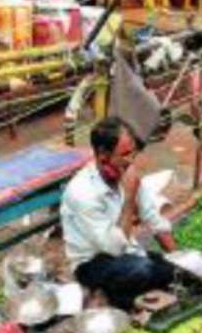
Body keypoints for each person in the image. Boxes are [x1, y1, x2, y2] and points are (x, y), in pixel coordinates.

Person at [60, 117, 177, 311]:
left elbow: (153, 218)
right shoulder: (82, 193)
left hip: (128, 254)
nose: (131, 160)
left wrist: (179, 258)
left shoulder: (125, 172)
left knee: (171, 271)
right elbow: (114, 248)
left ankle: (128, 290)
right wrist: (129, 198)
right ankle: (112, 300)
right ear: (103, 155)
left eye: (133, 152)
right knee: (141, 270)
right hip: (91, 263)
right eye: (124, 154)